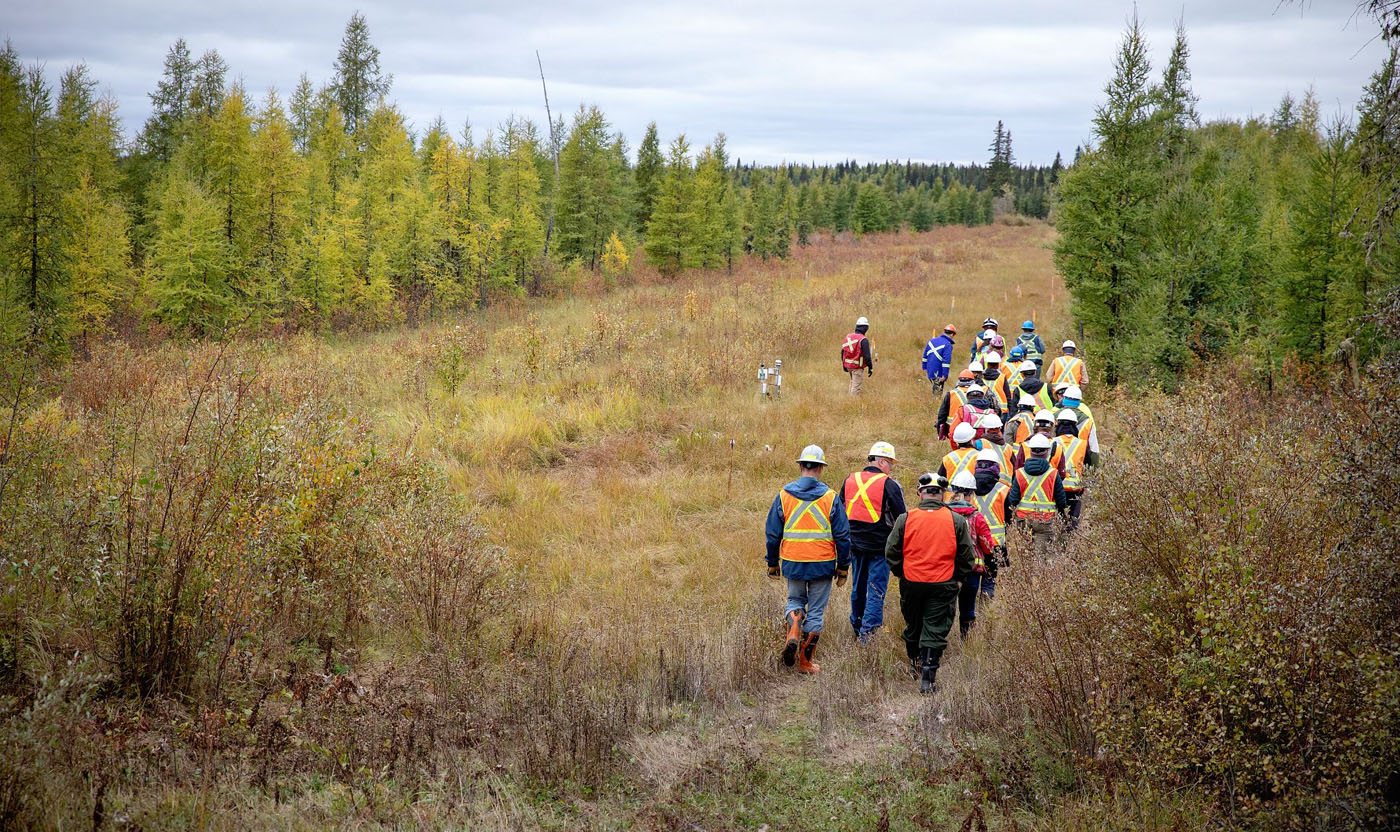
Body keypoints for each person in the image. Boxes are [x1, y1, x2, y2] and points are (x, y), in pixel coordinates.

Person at [885, 472, 977, 694]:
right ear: (943, 495)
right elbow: (967, 555)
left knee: (914, 624)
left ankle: (915, 664)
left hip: (911, 582)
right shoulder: (955, 520)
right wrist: (959, 579)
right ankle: (928, 678)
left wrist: (901, 573)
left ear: (920, 493)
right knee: (935, 628)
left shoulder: (905, 518)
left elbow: (891, 551)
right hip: (943, 583)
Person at [765, 445, 852, 674]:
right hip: (822, 563)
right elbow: (843, 536)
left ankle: (794, 629)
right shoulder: (830, 497)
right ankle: (805, 663)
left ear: (801, 466)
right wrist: (843, 567)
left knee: (795, 600)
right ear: (821, 468)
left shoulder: (784, 494)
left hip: (792, 560)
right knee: (815, 611)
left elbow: (773, 533)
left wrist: (772, 562)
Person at [841, 442, 907, 643]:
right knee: (876, 590)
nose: (891, 469)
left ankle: (857, 625)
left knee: (857, 589)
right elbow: (902, 518)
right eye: (890, 464)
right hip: (880, 547)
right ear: (882, 462)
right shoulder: (889, 484)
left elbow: (840, 510)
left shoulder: (849, 480)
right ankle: (867, 636)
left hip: (855, 545)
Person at [946, 471, 997, 639]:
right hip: (972, 572)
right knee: (968, 610)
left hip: (947, 572)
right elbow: (988, 547)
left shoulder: (943, 515)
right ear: (971, 494)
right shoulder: (977, 517)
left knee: (945, 608)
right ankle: (965, 641)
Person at [1006, 434, 1067, 559]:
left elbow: (1012, 500)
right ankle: (1038, 577)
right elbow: (1061, 501)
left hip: (1023, 521)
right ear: (1047, 452)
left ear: (1030, 451)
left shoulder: (1019, 473)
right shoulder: (1053, 474)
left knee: (1024, 557)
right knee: (1041, 559)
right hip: (1045, 521)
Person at [972, 447, 1011, 580]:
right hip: (995, 542)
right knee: (990, 577)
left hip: (973, 540)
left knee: (974, 575)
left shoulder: (968, 489)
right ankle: (987, 598)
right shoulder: (1004, 490)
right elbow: (1009, 517)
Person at [1054, 410, 1093, 532]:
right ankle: (1069, 543)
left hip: (1057, 487)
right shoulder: (1082, 444)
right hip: (1076, 489)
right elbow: (1088, 466)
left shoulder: (1053, 443)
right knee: (1072, 522)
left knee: (1058, 520)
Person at [936, 370, 975, 441]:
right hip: (972, 428)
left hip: (953, 428)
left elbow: (942, 415)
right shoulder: (978, 393)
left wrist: (940, 433)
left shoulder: (951, 394)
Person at [840, 316, 875, 395]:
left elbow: (842, 352)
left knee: (853, 383)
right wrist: (870, 368)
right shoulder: (863, 340)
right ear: (865, 328)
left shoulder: (848, 336)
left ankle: (848, 401)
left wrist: (844, 365)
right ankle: (852, 404)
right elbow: (867, 356)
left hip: (849, 366)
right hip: (857, 368)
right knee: (856, 388)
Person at [922, 324, 957, 397]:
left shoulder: (931, 341)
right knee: (937, 393)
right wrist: (945, 375)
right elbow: (946, 362)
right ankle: (935, 404)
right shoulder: (947, 345)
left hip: (930, 370)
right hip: (939, 372)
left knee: (934, 389)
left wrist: (924, 368)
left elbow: (925, 356)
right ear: (952, 334)